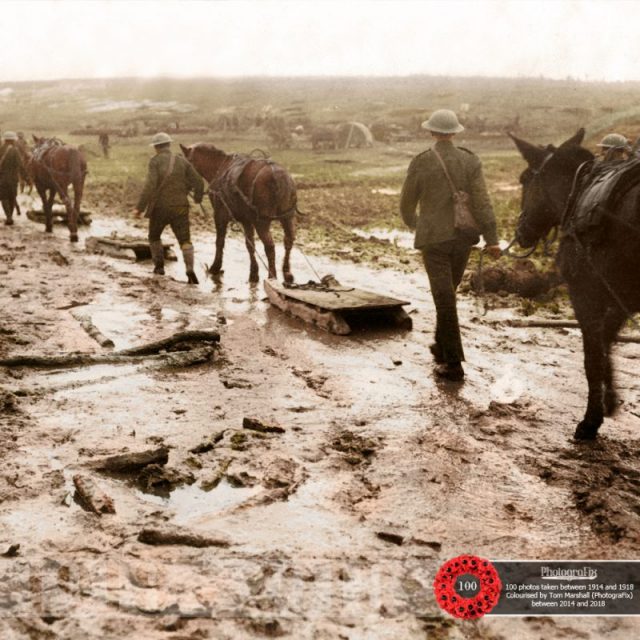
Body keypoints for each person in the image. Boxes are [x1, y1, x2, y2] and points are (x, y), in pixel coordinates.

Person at [400, 109, 501, 381]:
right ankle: (440, 346)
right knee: (448, 295)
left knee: (444, 298)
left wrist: (417, 224)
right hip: (462, 238)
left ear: (432, 132)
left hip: (434, 240)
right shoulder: (470, 160)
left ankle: (453, 363)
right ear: (455, 132)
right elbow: (481, 201)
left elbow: (406, 205)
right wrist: (492, 239)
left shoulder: (421, 161)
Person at [133, 132, 204, 284]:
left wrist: (139, 208)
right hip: (180, 207)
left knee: (154, 236)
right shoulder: (182, 161)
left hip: (160, 208)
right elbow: (199, 181)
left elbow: (150, 186)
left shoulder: (155, 161)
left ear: (156, 147)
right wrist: (197, 198)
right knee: (185, 240)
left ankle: (159, 268)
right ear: (169, 145)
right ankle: (190, 269)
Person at [0, 131, 27, 226]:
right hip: (13, 178)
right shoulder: (15, 150)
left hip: (2, 178)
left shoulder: (1, 149)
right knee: (12, 197)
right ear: (13, 140)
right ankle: (10, 217)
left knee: (4, 198)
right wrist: (25, 177)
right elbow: (21, 165)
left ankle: (8, 217)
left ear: (5, 140)